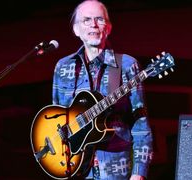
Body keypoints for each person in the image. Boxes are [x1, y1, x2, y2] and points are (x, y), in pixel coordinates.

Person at [52, 0, 153, 179]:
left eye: (99, 19)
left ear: (109, 27)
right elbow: (56, 118)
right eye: (87, 20)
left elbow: (140, 124)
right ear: (76, 29)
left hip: (115, 170)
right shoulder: (64, 67)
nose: (94, 24)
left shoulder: (125, 65)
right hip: (74, 170)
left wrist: (139, 173)